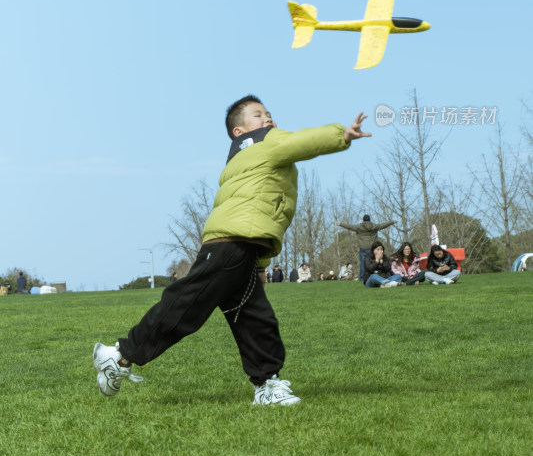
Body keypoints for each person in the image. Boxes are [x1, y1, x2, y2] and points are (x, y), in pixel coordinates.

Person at [93, 95, 371, 406]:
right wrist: (341, 135)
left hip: (241, 246)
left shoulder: (241, 157)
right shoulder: (266, 142)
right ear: (240, 131)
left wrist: (261, 264)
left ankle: (267, 385)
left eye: (268, 114)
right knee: (186, 307)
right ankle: (119, 355)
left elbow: (256, 212)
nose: (267, 119)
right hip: (230, 244)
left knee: (255, 319)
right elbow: (302, 142)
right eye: (257, 115)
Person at [337, 215, 397, 281]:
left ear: (363, 220)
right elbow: (383, 225)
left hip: (363, 248)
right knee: (373, 263)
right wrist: (392, 222)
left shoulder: (359, 227)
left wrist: (340, 224)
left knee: (363, 264)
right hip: (372, 248)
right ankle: (374, 276)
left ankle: (362, 279)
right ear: (369, 220)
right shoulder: (374, 226)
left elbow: (349, 226)